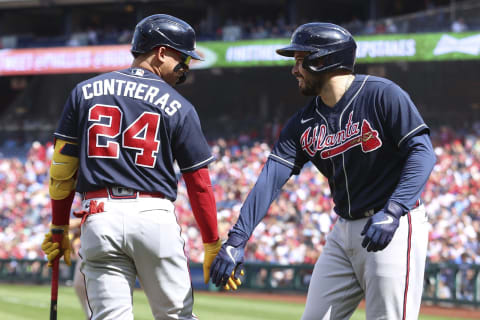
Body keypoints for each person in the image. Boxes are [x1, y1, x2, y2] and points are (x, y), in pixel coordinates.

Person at [210, 22, 436, 319]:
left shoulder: (382, 95)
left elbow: (423, 153)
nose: (294, 70)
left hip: (394, 224)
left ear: (324, 60)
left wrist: (394, 210)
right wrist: (236, 240)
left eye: (300, 60)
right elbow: (271, 179)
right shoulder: (303, 122)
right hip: (343, 231)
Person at [40, 14, 239, 320]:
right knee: (176, 317)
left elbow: (61, 171)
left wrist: (58, 226)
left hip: (99, 216)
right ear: (160, 52)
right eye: (182, 57)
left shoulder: (83, 91)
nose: (185, 66)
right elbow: (199, 182)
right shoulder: (179, 105)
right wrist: (212, 242)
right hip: (152, 218)